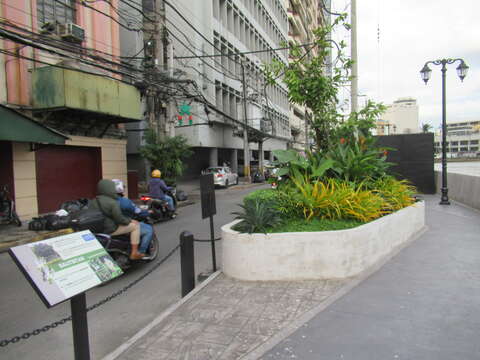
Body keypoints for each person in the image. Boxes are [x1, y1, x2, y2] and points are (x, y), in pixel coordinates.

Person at [91, 179, 144, 260]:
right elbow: (120, 219)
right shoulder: (113, 202)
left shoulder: (93, 201)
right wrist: (130, 220)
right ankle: (134, 252)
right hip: (110, 229)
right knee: (135, 226)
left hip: (97, 230)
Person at [112, 179, 154, 257]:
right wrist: (148, 212)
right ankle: (140, 252)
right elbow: (138, 212)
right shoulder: (125, 202)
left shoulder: (106, 201)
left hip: (110, 227)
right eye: (123, 187)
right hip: (122, 226)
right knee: (148, 229)